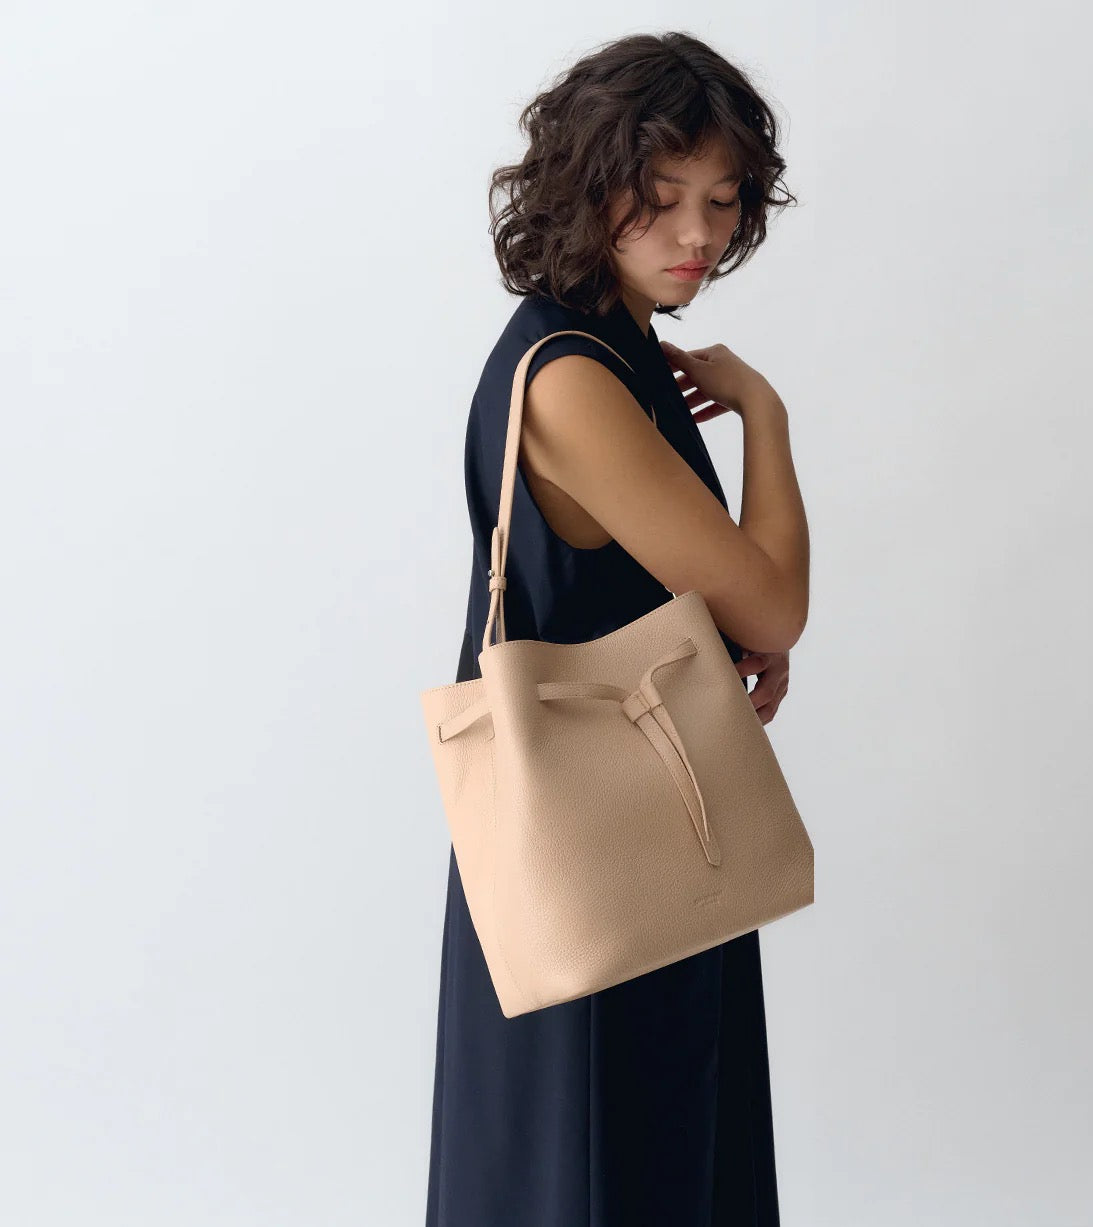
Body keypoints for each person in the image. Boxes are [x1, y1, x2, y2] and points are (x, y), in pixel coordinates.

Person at [425, 30, 809, 1227]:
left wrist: (735, 630)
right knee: (611, 1162)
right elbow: (772, 600)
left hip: (644, 835)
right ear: (589, 187)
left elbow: (690, 591)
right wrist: (765, 417)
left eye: (724, 202)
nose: (698, 235)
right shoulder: (574, 378)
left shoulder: (614, 347)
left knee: (640, 1160)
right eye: (663, 197)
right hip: (601, 860)